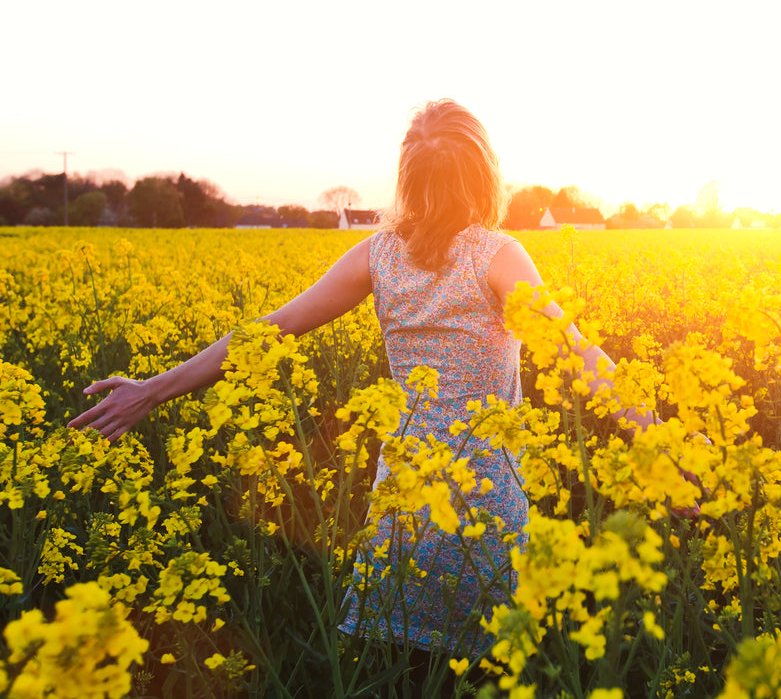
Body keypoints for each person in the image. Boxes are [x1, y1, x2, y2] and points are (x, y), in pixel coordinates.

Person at [69, 99, 662, 689]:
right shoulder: (499, 255)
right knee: (488, 673)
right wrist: (660, 444)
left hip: (402, 497)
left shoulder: (378, 256)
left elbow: (266, 331)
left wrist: (153, 390)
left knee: (397, 671)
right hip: (484, 499)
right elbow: (577, 354)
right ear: (484, 173)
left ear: (408, 175)